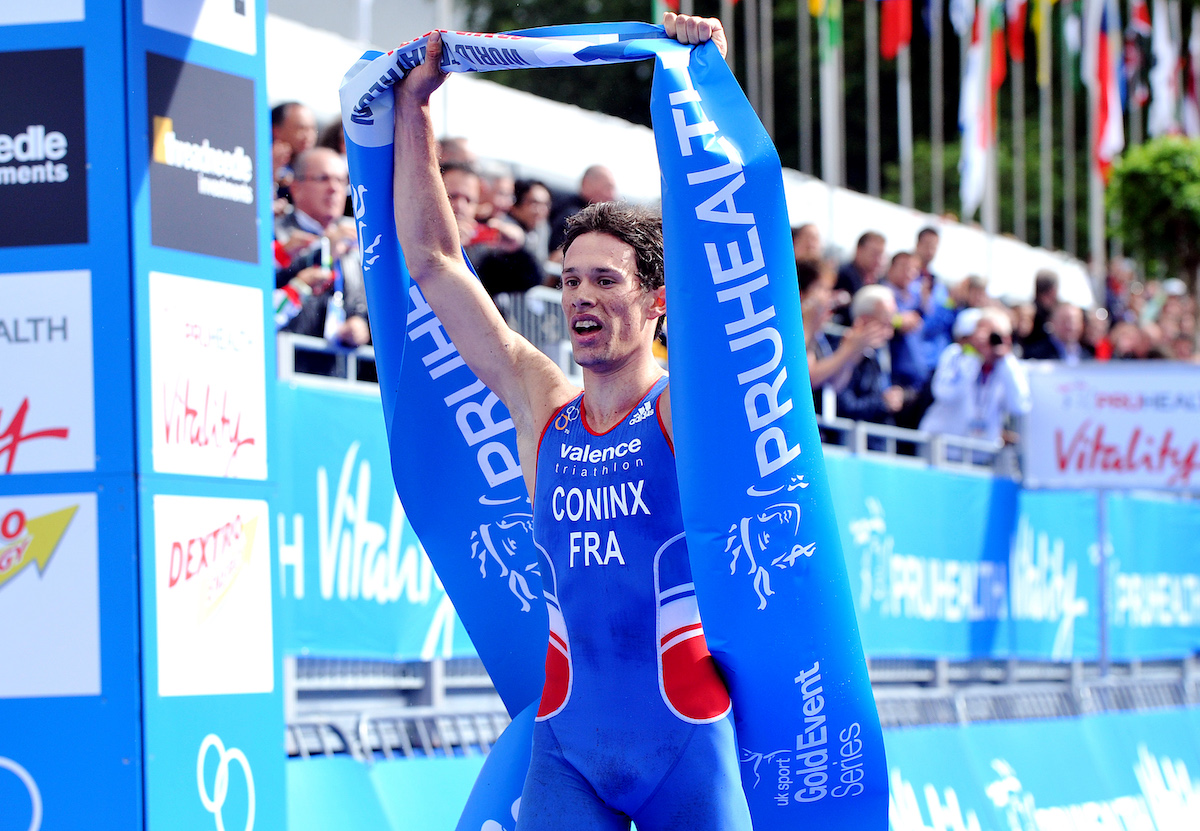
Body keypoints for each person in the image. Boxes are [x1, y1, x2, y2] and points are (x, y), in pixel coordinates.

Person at [391, 14, 750, 831]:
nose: (581, 296)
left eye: (604, 281)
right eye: (569, 280)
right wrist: (414, 112)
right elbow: (437, 266)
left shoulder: (679, 408)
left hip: (686, 744)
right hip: (567, 751)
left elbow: (720, 283)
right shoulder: (541, 402)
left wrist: (707, 92)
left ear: (658, 302)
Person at [275, 147, 370, 361]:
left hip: (336, 374)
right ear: (296, 187)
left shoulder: (353, 241)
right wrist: (326, 251)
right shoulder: (276, 233)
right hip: (285, 365)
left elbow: (359, 306)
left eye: (340, 181)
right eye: (324, 179)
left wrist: (359, 325)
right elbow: (274, 283)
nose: (334, 189)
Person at [919, 307, 1031, 459]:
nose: (986, 339)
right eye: (981, 331)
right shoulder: (955, 355)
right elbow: (944, 394)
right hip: (943, 450)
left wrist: (1005, 360)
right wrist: (974, 357)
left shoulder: (1008, 367)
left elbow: (1019, 406)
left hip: (980, 455)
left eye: (994, 335)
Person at [833, 230, 886, 324]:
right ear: (859, 250)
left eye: (881, 254)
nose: (878, 259)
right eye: (874, 253)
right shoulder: (841, 275)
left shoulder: (880, 281)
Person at [1022, 302, 1089, 364]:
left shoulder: (1089, 357)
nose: (1070, 326)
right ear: (1052, 322)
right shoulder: (1035, 355)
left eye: (1074, 321)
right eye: (1064, 321)